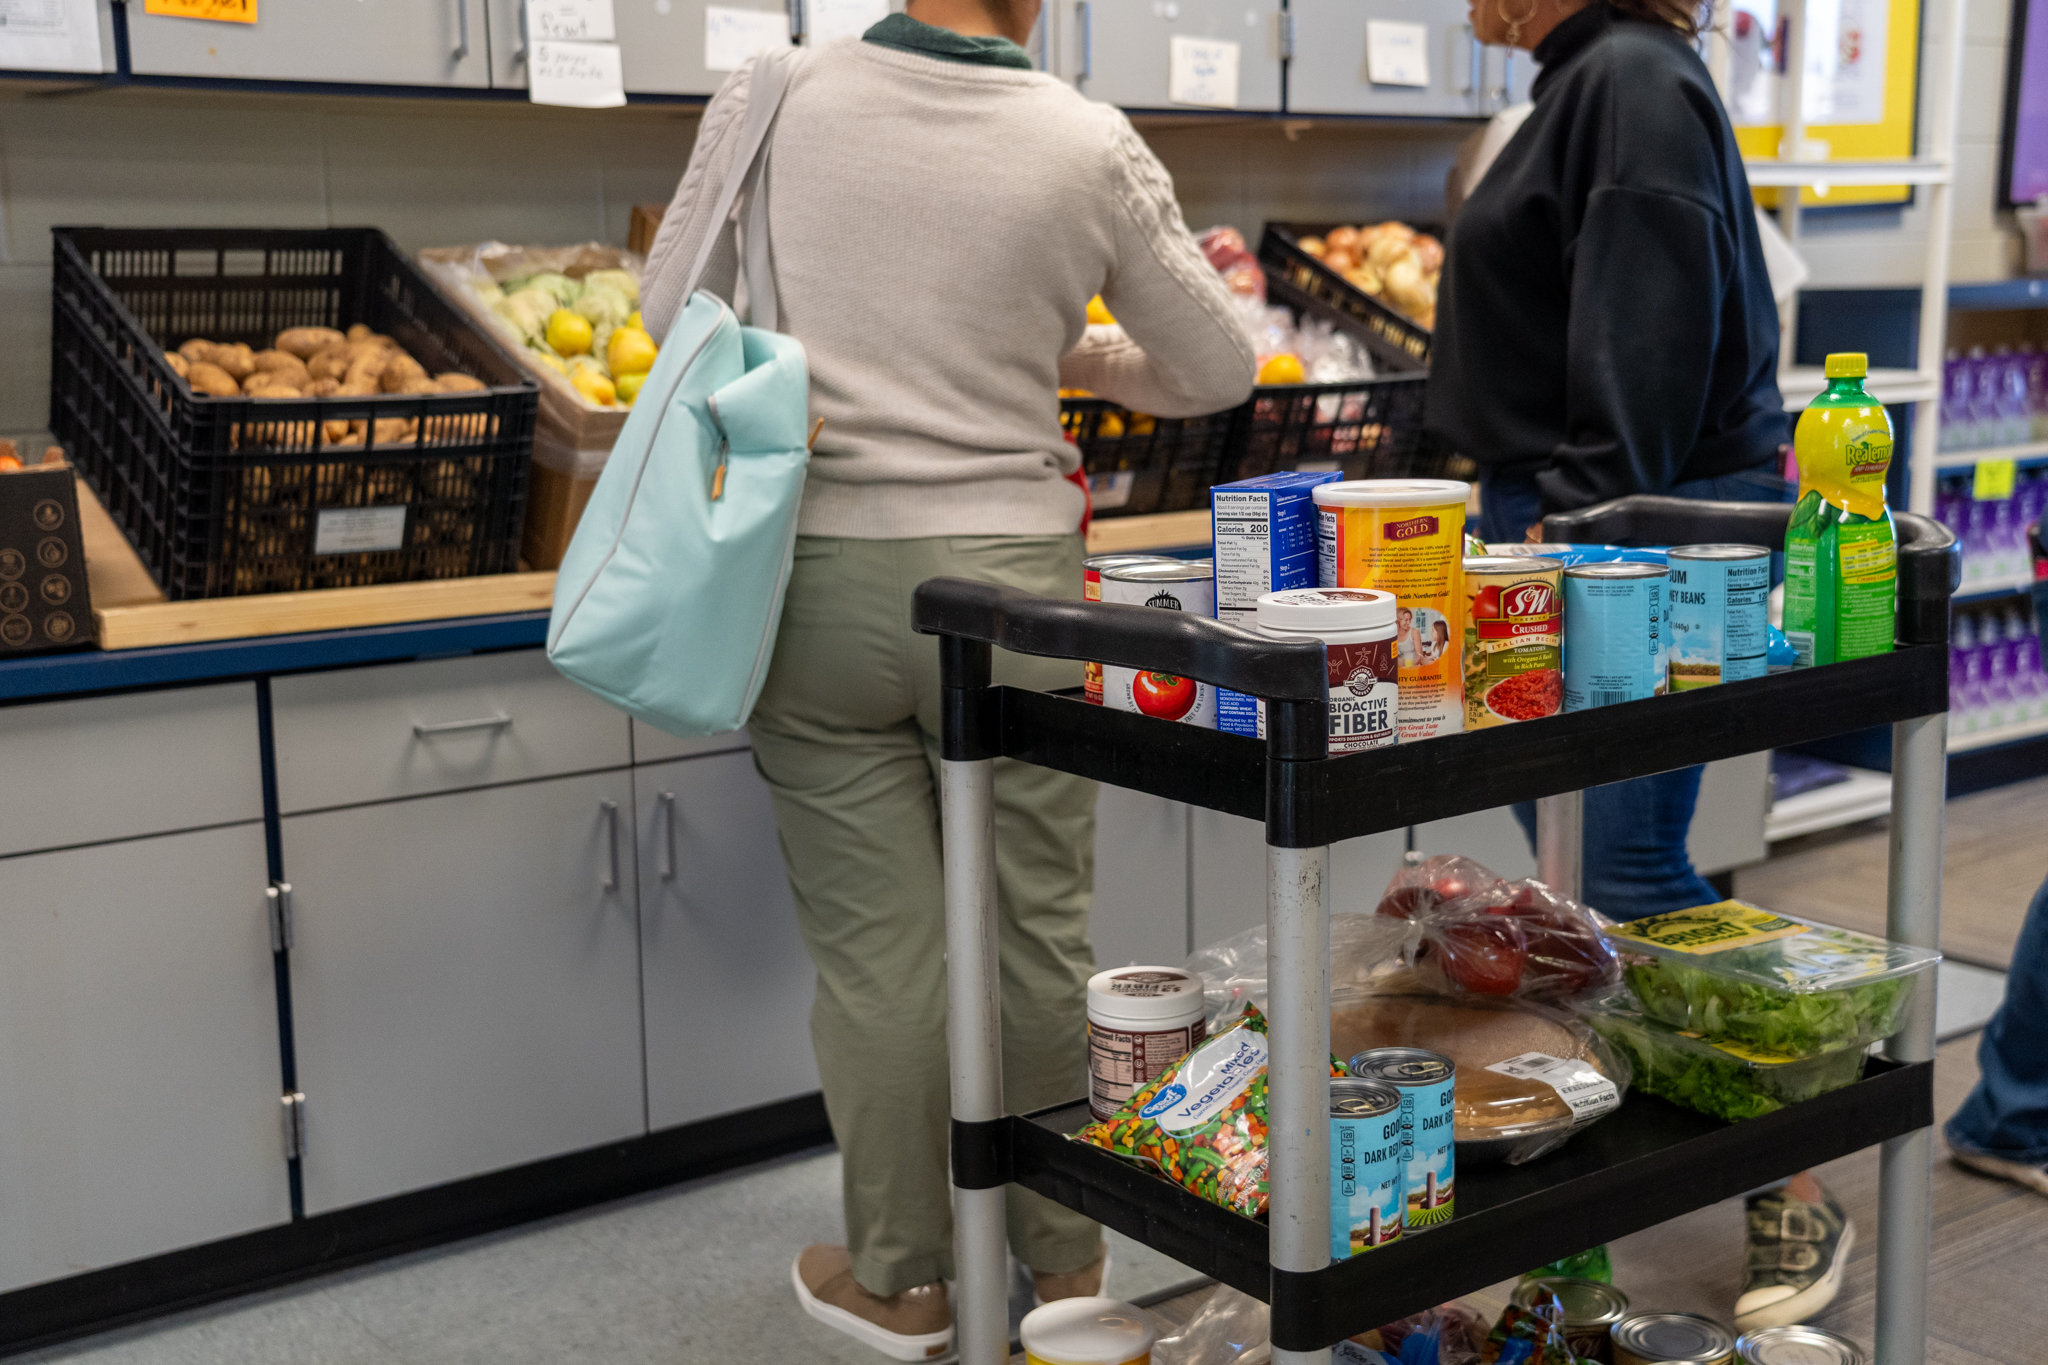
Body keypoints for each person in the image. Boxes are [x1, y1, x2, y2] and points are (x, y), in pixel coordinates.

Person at [640, 2, 1256, 1358]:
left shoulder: (774, 92)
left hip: (824, 578)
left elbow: (661, 307)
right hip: (1020, 587)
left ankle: (905, 1277)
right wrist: (1075, 353)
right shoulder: (1085, 142)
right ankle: (1071, 1271)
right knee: (1040, 930)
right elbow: (1219, 364)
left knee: (879, 957)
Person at [1423, 0, 1846, 1331]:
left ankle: (1800, 1167)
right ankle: (1578, 1238)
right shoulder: (1586, 80)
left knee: (1623, 879)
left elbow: (1645, 335)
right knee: (1566, 912)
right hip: (1565, 526)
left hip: (1620, 534)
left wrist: (1580, 533)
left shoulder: (1631, 78)